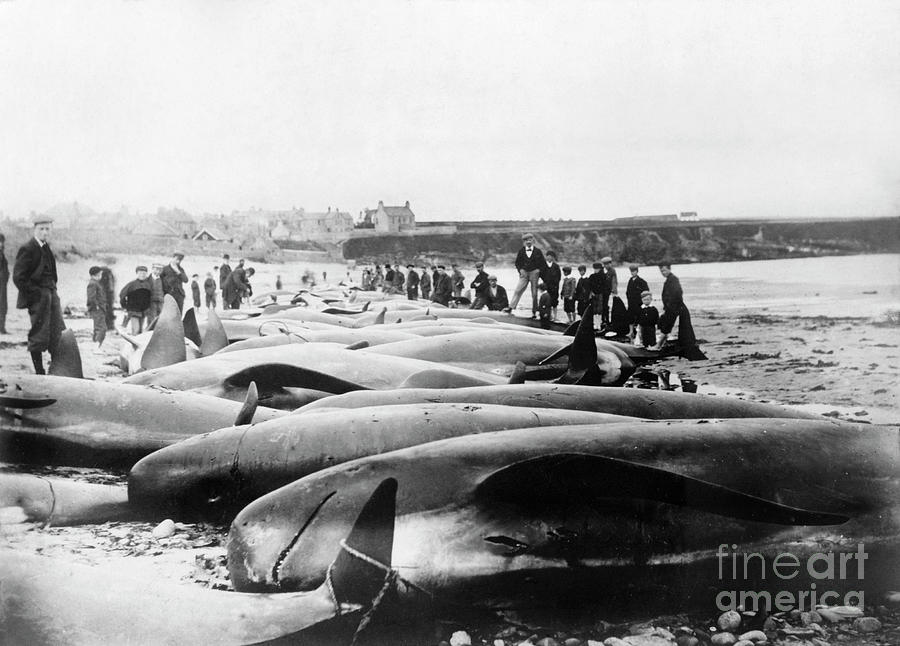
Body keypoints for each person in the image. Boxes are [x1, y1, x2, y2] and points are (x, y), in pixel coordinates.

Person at [13, 215, 66, 374]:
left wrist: (53, 290)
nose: (45, 232)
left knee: (57, 330)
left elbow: (52, 272)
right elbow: (18, 277)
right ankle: (39, 371)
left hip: (52, 294)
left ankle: (56, 368)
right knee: (39, 332)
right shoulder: (28, 248)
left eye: (47, 229)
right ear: (34, 229)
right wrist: (35, 294)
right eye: (41, 229)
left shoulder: (46, 247)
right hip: (39, 298)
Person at [506, 233, 545, 318]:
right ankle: (511, 307)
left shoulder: (538, 251)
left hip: (534, 273)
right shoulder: (521, 251)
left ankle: (534, 312)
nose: (528, 242)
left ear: (533, 240)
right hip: (524, 273)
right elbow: (517, 263)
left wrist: (538, 271)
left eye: (530, 240)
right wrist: (520, 270)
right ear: (524, 242)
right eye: (526, 240)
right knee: (518, 290)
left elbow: (543, 263)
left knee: (534, 293)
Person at [653, 263, 684, 350]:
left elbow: (677, 293)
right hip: (669, 307)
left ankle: (658, 345)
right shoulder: (669, 279)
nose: (663, 273)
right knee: (662, 323)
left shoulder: (673, 279)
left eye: (664, 270)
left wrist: (671, 306)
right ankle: (663, 342)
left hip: (673, 307)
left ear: (669, 269)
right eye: (661, 271)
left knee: (666, 326)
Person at [119, 265, 152, 334]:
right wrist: (125, 306)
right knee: (136, 330)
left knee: (140, 331)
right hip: (133, 311)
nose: (142, 275)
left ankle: (137, 340)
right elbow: (122, 295)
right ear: (137, 273)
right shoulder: (132, 284)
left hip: (143, 312)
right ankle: (133, 338)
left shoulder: (148, 285)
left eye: (144, 273)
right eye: (140, 273)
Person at [625, 263, 649, 342]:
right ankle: (631, 332)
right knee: (630, 317)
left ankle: (640, 332)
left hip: (639, 303)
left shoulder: (642, 281)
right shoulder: (630, 280)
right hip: (631, 302)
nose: (633, 273)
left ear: (637, 271)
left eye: (634, 271)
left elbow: (646, 292)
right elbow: (627, 291)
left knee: (639, 317)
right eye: (631, 271)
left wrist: (643, 301)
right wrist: (629, 299)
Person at [86, 266, 107, 351]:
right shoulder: (93, 283)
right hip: (98, 309)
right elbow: (91, 298)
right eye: (100, 274)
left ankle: (96, 346)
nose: (101, 276)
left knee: (98, 327)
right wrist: (96, 307)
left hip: (98, 309)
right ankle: (96, 348)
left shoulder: (94, 283)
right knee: (102, 328)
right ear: (96, 274)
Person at [541, 251, 562, 322]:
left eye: (551, 256)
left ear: (553, 257)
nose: (549, 258)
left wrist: (555, 285)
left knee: (554, 302)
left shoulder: (556, 266)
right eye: (548, 256)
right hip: (546, 286)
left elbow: (559, 277)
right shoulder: (543, 266)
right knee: (547, 302)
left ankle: (555, 317)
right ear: (546, 257)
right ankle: (549, 316)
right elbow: (541, 275)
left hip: (554, 287)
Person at [599, 256, 618, 327]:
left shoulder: (612, 271)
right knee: (602, 305)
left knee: (605, 305)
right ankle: (603, 320)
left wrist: (614, 290)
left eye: (608, 264)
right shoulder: (601, 270)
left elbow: (614, 281)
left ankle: (606, 320)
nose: (607, 265)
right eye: (605, 264)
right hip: (601, 291)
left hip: (607, 291)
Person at [99, 267, 116, 332]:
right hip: (106, 294)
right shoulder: (106, 274)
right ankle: (108, 325)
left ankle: (109, 325)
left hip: (108, 294)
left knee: (108, 309)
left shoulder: (107, 274)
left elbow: (111, 287)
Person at [0, 233, 8, 334]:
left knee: (3, 306)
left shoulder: (2, 254)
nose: (1, 244)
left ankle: (1, 327)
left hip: (2, 285)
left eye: (2, 242)